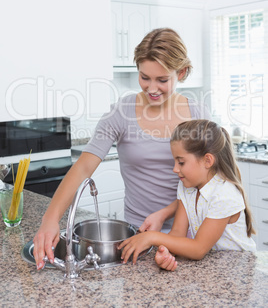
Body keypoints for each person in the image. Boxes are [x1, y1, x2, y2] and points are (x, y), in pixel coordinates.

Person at [33, 28, 210, 269]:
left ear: (181, 72)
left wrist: (164, 214)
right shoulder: (121, 113)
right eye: (144, 77)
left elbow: (210, 185)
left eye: (162, 80)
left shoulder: (198, 114)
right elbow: (84, 166)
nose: (152, 88)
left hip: (191, 237)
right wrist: (50, 219)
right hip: (137, 239)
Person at [119, 119, 256, 271]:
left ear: (207, 160)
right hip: (211, 270)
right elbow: (177, 233)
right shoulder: (186, 186)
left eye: (181, 162)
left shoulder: (224, 194)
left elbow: (198, 249)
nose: (175, 169)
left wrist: (152, 237)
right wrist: (165, 253)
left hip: (237, 272)